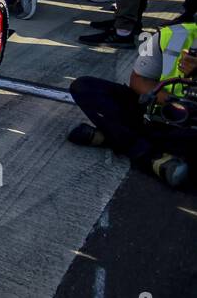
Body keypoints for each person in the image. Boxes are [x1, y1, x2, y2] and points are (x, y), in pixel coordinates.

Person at [68, 21, 197, 187]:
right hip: (157, 114)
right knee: (84, 87)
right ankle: (149, 156)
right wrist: (171, 101)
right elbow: (138, 80)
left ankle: (116, 138)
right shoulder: (168, 35)